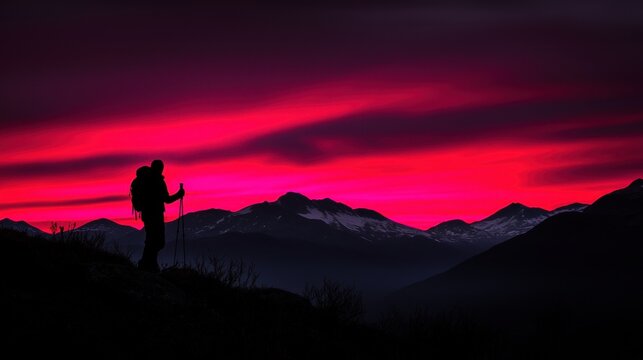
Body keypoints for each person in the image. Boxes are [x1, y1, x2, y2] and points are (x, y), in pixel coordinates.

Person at [138, 159, 185, 272]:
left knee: (151, 239)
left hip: (147, 214)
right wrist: (179, 194)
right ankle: (148, 265)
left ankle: (147, 264)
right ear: (160, 168)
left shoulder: (145, 180)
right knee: (158, 241)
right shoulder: (158, 181)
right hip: (156, 214)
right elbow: (167, 199)